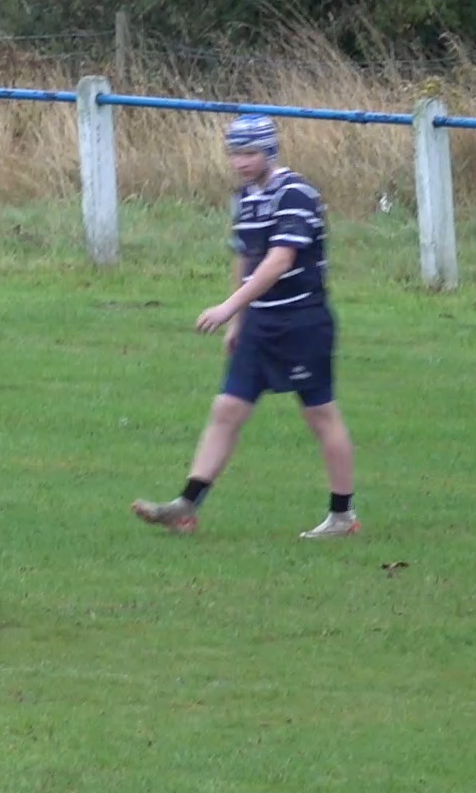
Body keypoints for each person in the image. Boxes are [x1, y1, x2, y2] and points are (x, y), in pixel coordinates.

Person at [133, 114, 360, 539]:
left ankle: (342, 517)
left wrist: (227, 307)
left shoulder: (295, 193)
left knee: (320, 415)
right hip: (260, 322)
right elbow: (246, 256)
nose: (240, 162)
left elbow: (280, 260)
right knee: (227, 409)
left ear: (269, 151)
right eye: (235, 153)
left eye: (250, 153)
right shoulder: (245, 197)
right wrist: (239, 321)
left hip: (301, 322)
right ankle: (185, 507)